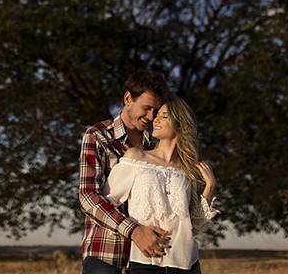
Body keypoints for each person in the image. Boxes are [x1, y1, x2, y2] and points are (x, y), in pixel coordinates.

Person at [104, 97, 219, 274]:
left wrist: (209, 187)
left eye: (164, 116)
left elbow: (193, 226)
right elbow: (106, 204)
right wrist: (135, 231)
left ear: (180, 123)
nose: (155, 119)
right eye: (157, 115)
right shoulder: (136, 157)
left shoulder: (187, 170)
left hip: (187, 264)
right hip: (145, 263)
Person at [79, 70, 174, 274]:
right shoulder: (98, 136)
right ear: (128, 98)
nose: (151, 117)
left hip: (148, 260)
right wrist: (135, 230)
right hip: (106, 253)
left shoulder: (156, 144)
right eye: (147, 108)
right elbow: (88, 196)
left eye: (156, 111)